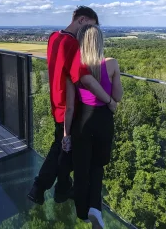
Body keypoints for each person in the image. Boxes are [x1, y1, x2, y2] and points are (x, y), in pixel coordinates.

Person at [27, 6, 115, 205]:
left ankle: (62, 188)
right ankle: (40, 187)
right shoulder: (72, 44)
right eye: (90, 27)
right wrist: (109, 100)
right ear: (82, 20)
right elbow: (84, 79)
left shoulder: (54, 37)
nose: (89, 34)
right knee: (61, 148)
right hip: (71, 105)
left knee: (65, 147)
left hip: (57, 102)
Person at [66, 24, 123, 228]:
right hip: (103, 120)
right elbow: (117, 97)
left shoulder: (75, 68)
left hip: (82, 120)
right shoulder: (112, 63)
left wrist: (66, 133)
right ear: (100, 41)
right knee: (97, 166)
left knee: (81, 168)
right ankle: (94, 209)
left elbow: (70, 107)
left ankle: (81, 212)